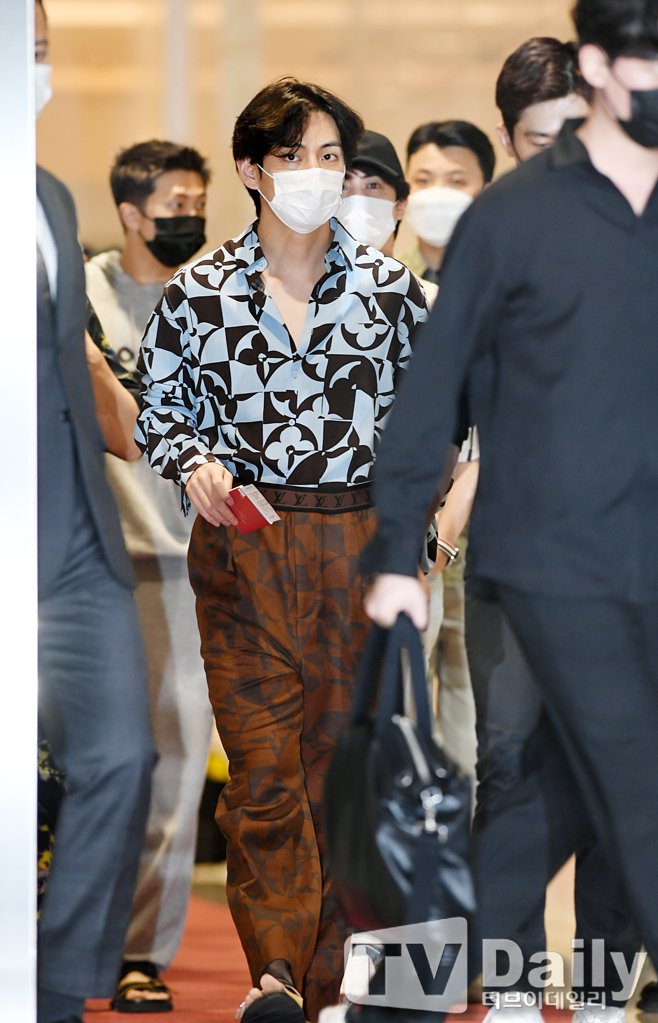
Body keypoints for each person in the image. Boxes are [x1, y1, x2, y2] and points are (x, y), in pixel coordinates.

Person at [364, 0, 658, 1020]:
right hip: (546, 562)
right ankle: (517, 988)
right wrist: (396, 551)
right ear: (598, 66)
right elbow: (432, 393)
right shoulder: (514, 216)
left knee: (573, 791)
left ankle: (568, 989)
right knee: (571, 768)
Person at [135, 78, 428, 1023]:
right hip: (245, 546)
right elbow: (159, 412)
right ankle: (276, 975)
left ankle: (336, 983)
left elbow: (434, 426)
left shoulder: (392, 293)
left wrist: (421, 538)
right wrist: (194, 462)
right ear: (252, 169)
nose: (316, 173)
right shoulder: (198, 294)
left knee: (344, 772)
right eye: (294, 155)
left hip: (359, 540)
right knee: (262, 773)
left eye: (331, 156)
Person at [432, 37, 636, 1023]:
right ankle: (511, 987)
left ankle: (600, 991)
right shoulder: (494, 239)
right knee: (509, 760)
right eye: (536, 141)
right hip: (513, 559)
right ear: (508, 141)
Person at [35, 4, 156, 1023]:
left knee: (123, 755)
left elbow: (81, 364)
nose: (34, 69)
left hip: (76, 532)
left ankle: (53, 987)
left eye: (42, 50)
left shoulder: (46, 194)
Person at [85, 139, 213, 1013]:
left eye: (199, 202)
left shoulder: (217, 300)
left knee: (177, 761)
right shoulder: (79, 293)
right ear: (131, 213)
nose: (190, 217)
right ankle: (64, 927)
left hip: (187, 566)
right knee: (89, 760)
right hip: (91, 562)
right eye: (175, 203)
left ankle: (141, 950)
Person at [400, 119, 495, 287]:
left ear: (486, 191)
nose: (437, 195)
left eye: (457, 181)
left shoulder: (506, 279)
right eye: (423, 180)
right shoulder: (385, 281)